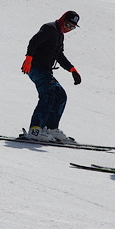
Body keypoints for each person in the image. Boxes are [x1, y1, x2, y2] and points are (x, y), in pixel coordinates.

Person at [20, 10, 82, 142]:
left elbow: (59, 55)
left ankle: (51, 128)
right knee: (48, 94)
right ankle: (35, 130)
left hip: (46, 70)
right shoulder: (49, 28)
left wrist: (72, 70)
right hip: (36, 67)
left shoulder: (59, 35)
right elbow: (34, 42)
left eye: (72, 27)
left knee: (60, 95)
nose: (68, 29)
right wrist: (28, 59)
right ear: (62, 19)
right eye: (67, 24)